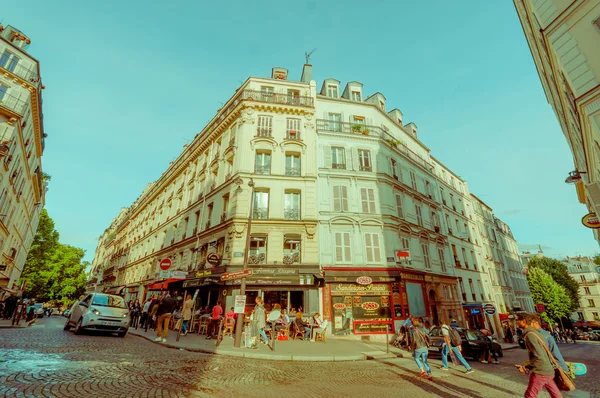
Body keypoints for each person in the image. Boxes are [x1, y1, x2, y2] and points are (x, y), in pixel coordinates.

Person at [515, 312, 562, 398]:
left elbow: (539, 356)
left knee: (530, 395)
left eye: (517, 320)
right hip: (548, 369)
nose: (516, 322)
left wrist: (526, 368)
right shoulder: (536, 333)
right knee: (556, 395)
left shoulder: (530, 335)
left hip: (541, 371)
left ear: (524, 321)